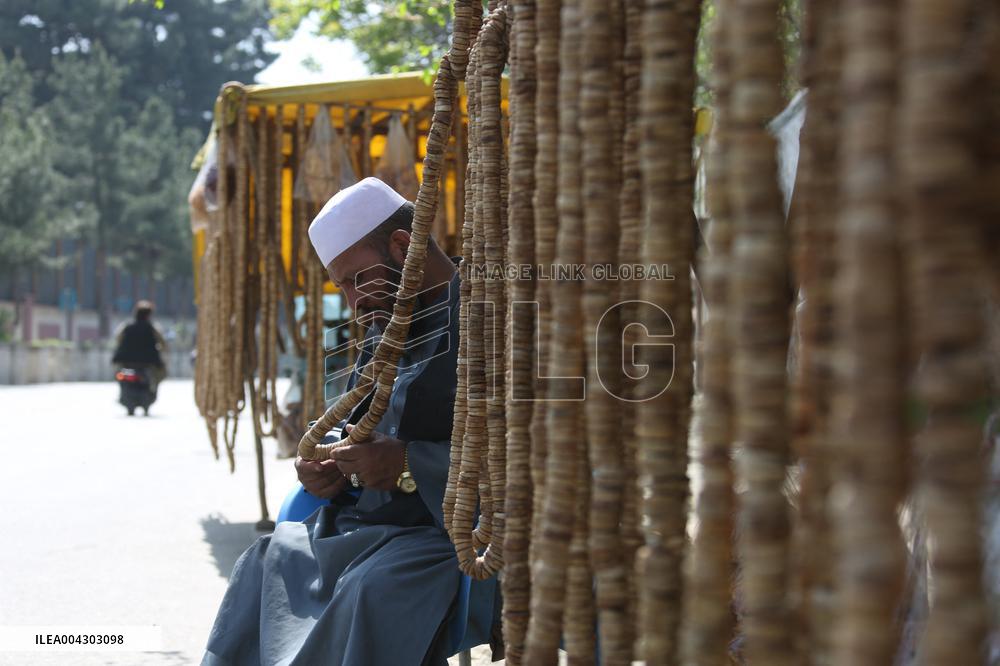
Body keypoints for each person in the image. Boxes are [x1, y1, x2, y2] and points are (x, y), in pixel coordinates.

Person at [202, 178, 496, 665]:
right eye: (342, 286)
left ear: (403, 247)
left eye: (358, 279)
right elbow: (360, 420)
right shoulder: (385, 323)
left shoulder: (495, 317)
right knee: (262, 561)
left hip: (454, 535)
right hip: (371, 525)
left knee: (369, 589)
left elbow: (534, 459)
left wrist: (407, 465)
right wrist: (334, 461)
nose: (355, 302)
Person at [111, 300, 167, 397]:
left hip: (126, 360)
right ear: (149, 315)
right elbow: (162, 343)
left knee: (118, 372)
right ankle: (153, 391)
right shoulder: (152, 328)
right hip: (148, 362)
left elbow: (117, 339)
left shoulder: (126, 326)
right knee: (161, 372)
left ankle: (123, 391)